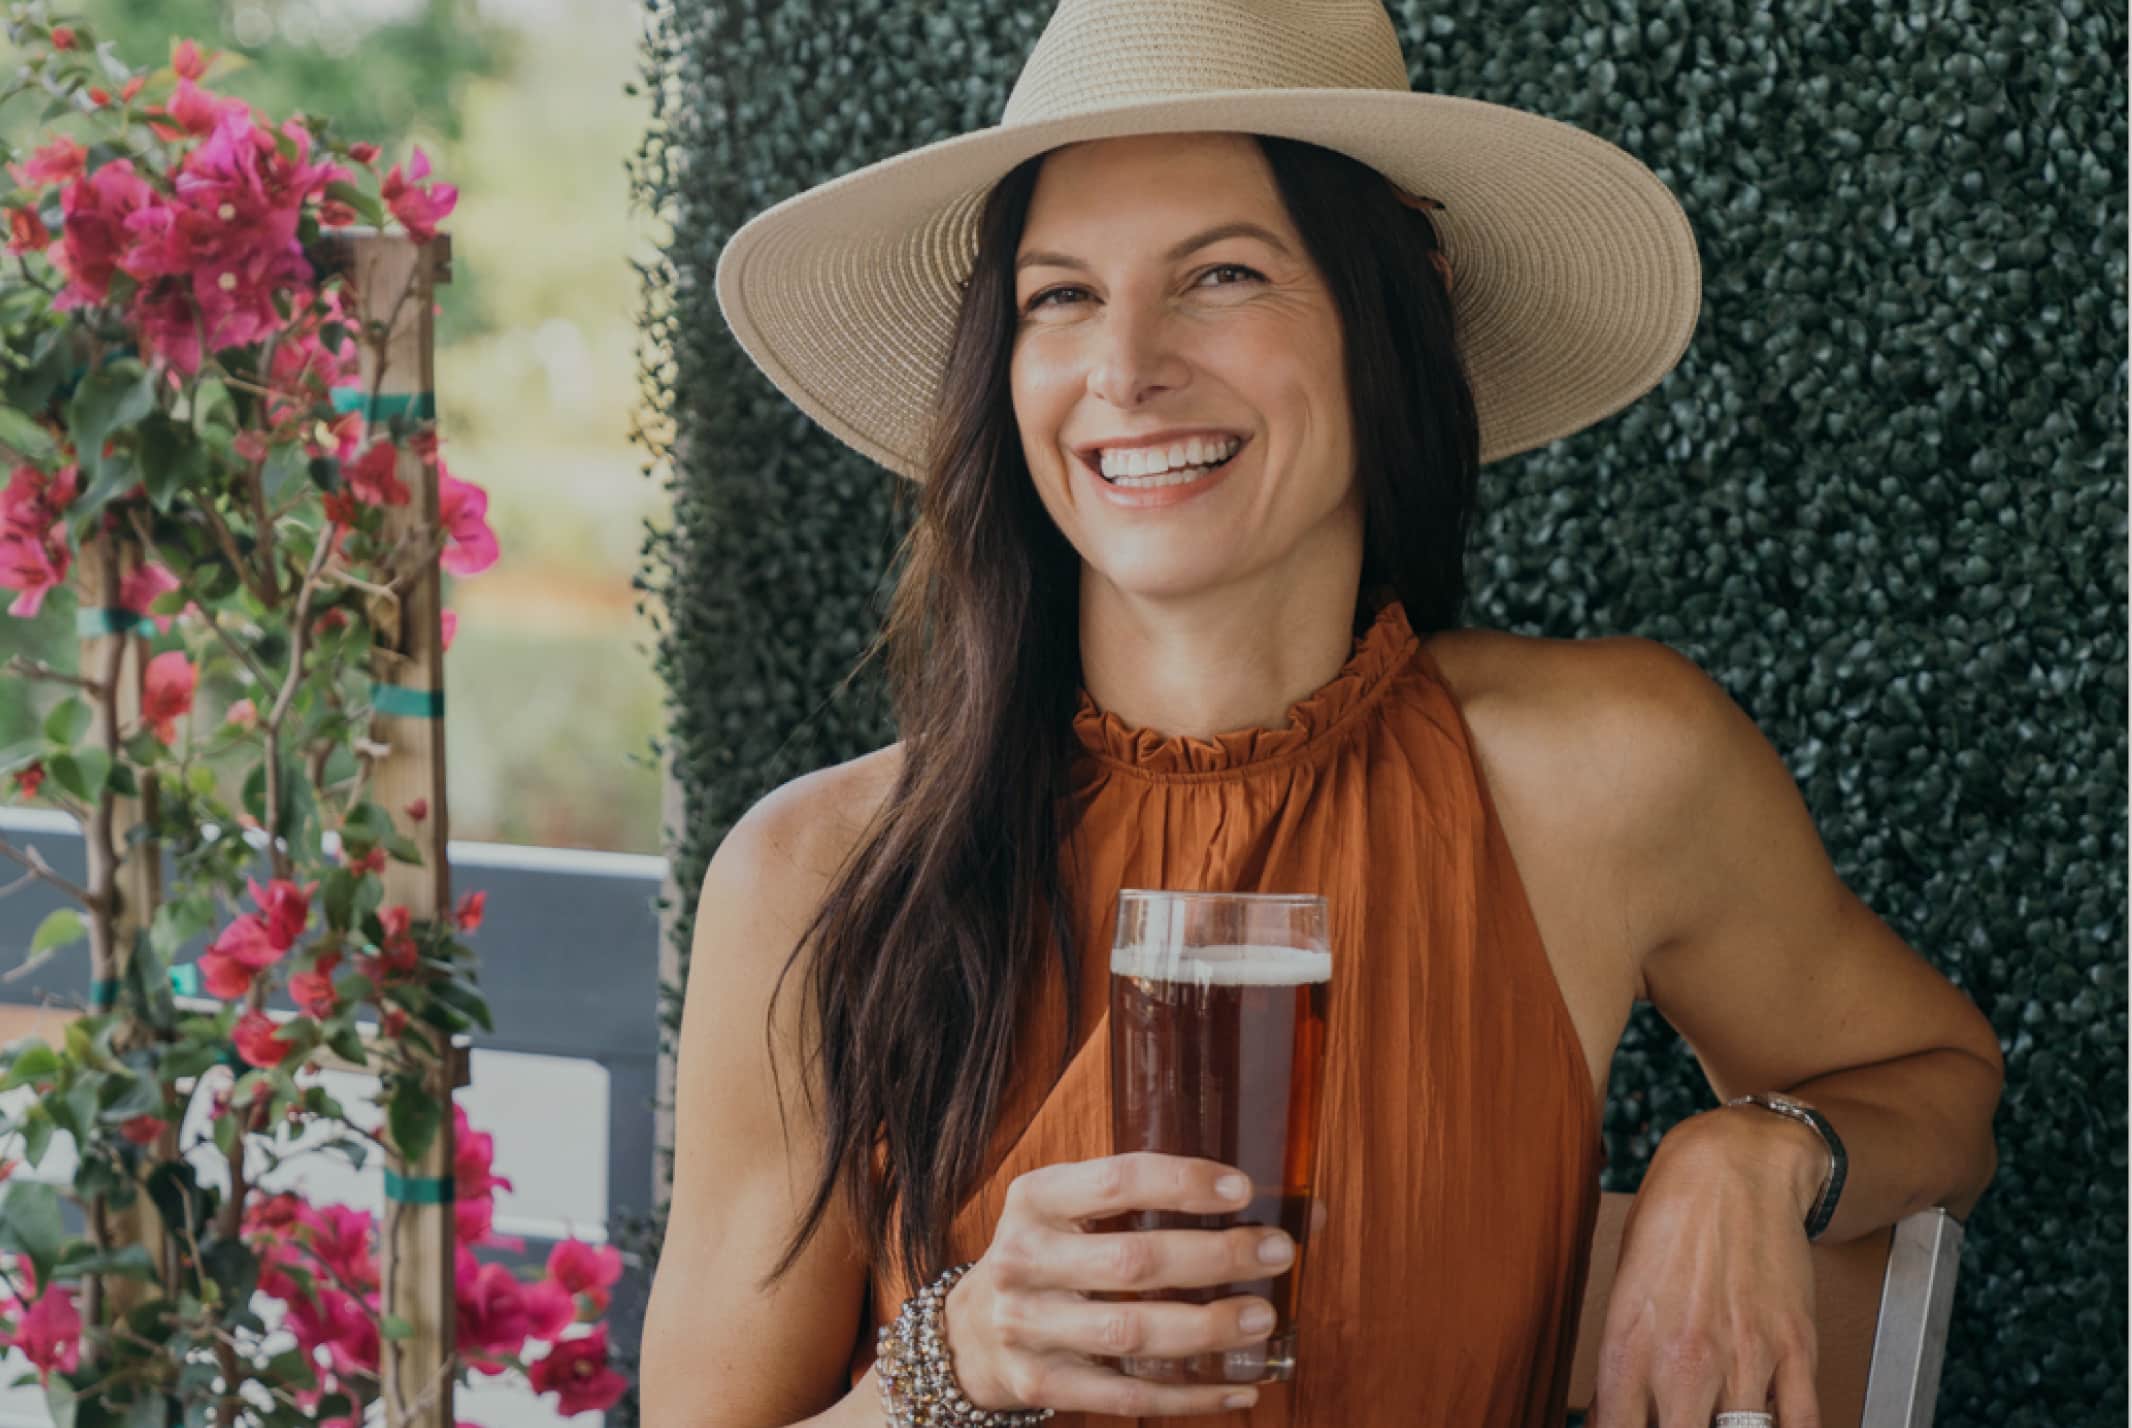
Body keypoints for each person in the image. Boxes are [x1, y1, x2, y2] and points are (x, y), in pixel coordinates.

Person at [639, 1, 2005, 1424]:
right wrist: (960, 1355)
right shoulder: (813, 872)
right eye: (1060, 296)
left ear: (1390, 310)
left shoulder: (1604, 769)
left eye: (1221, 273)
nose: (1126, 366)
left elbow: (1941, 1084)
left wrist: (1760, 1150)